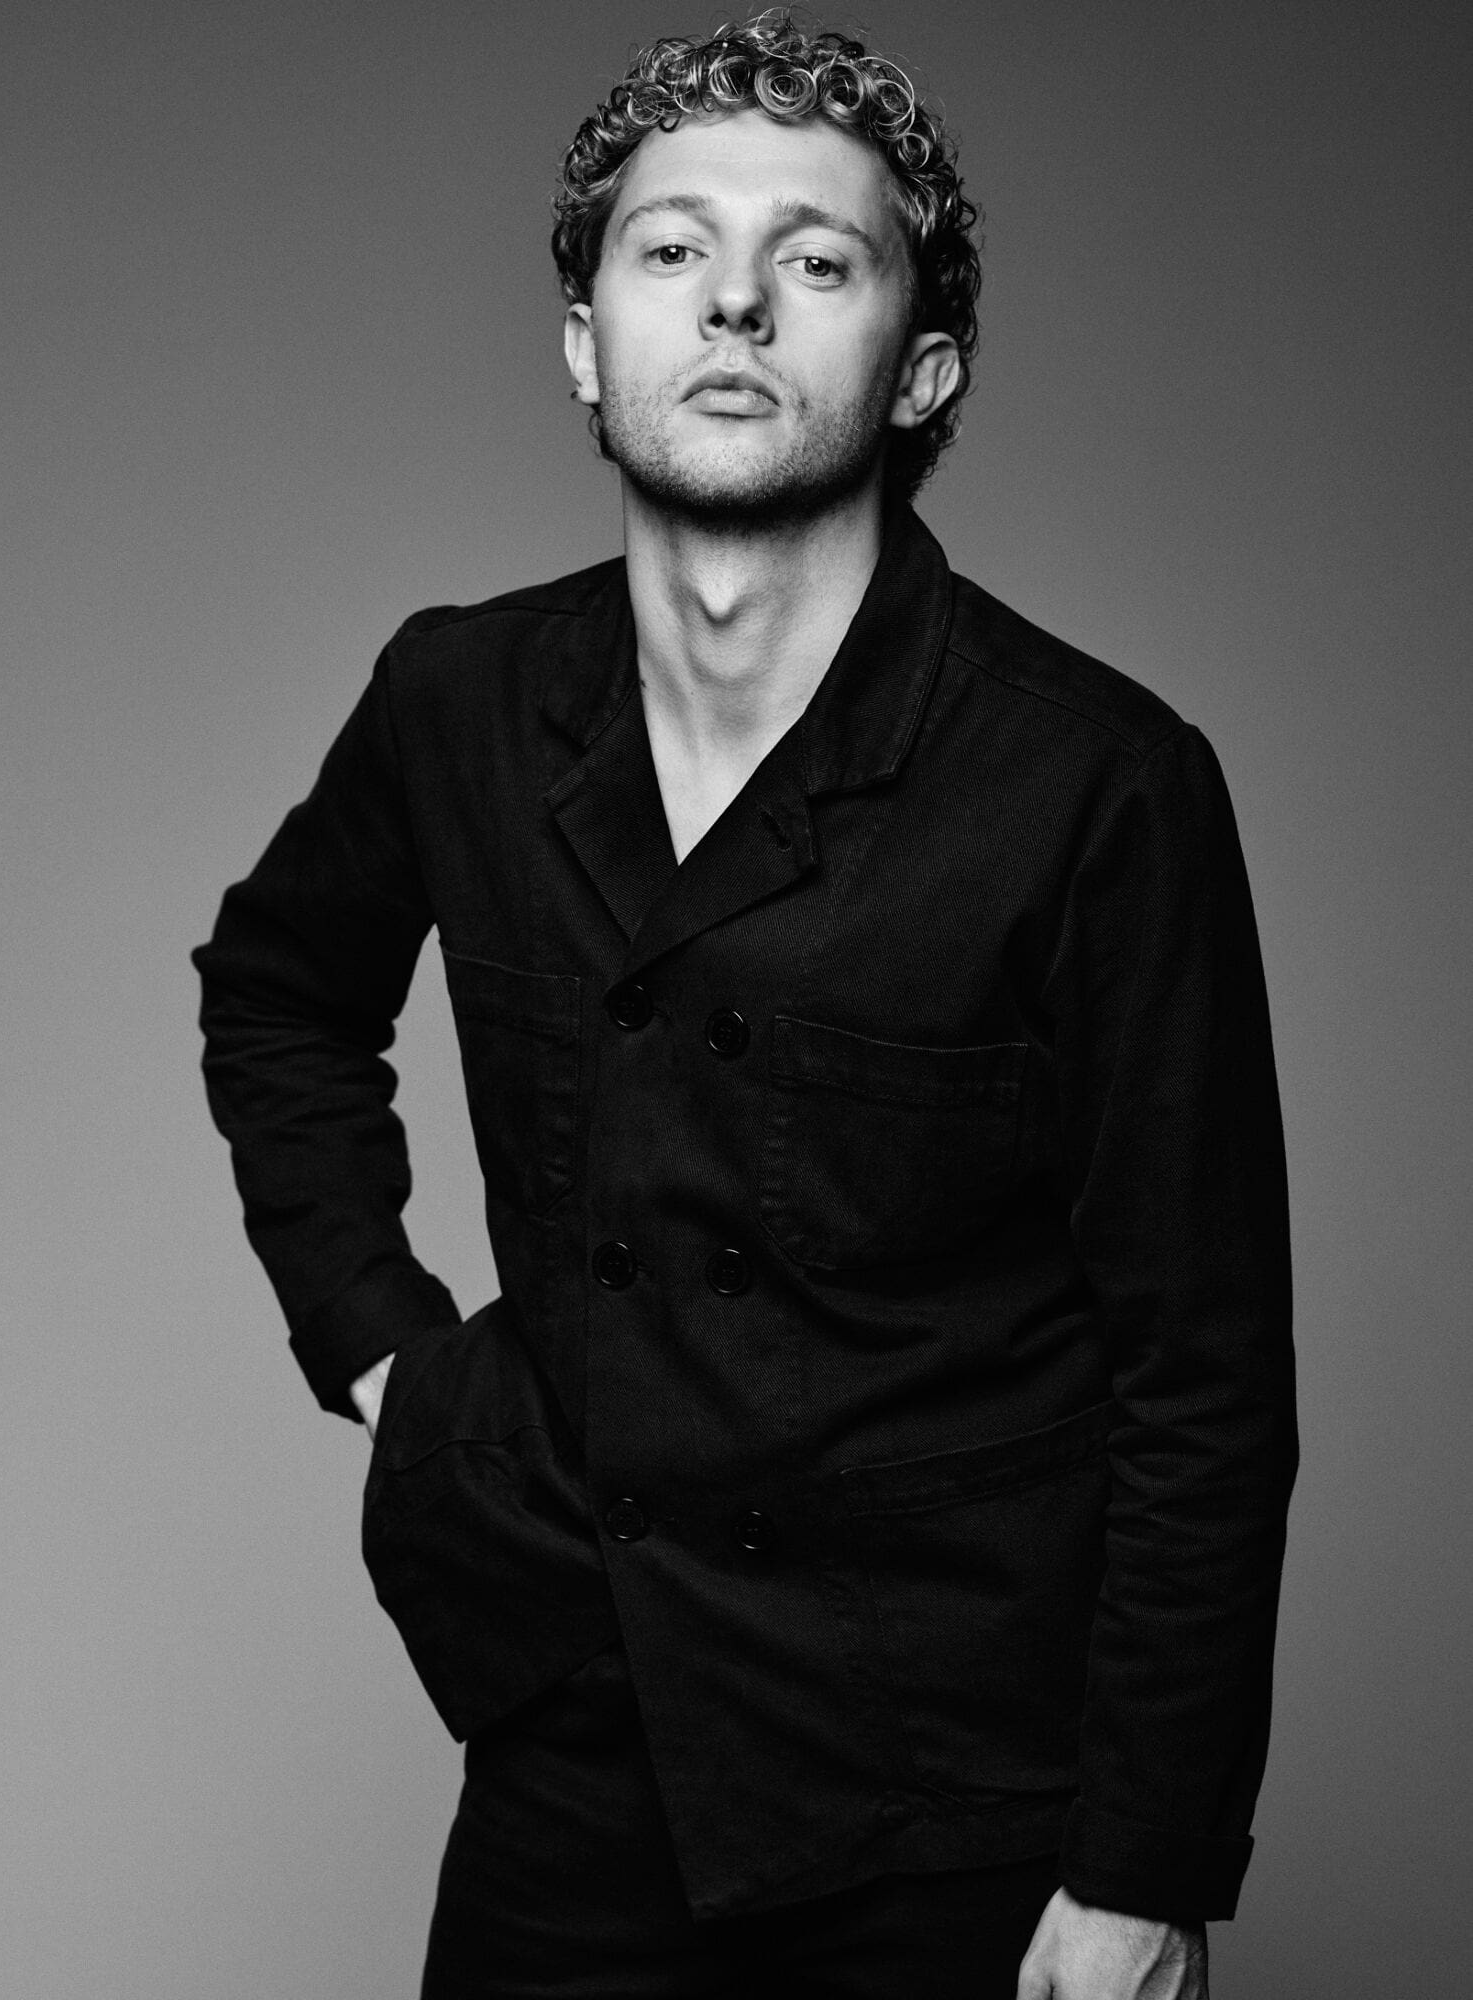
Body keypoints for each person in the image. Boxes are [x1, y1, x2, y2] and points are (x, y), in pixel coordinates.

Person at [193, 16, 1297, 1998]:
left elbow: (1204, 1380)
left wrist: (1144, 1867)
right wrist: (388, 1357)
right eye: (671, 245)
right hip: (578, 1732)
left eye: (818, 257)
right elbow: (280, 992)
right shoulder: (458, 699)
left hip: (961, 1797)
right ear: (584, 343)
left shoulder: (1100, 786)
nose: (733, 298)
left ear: (920, 366)